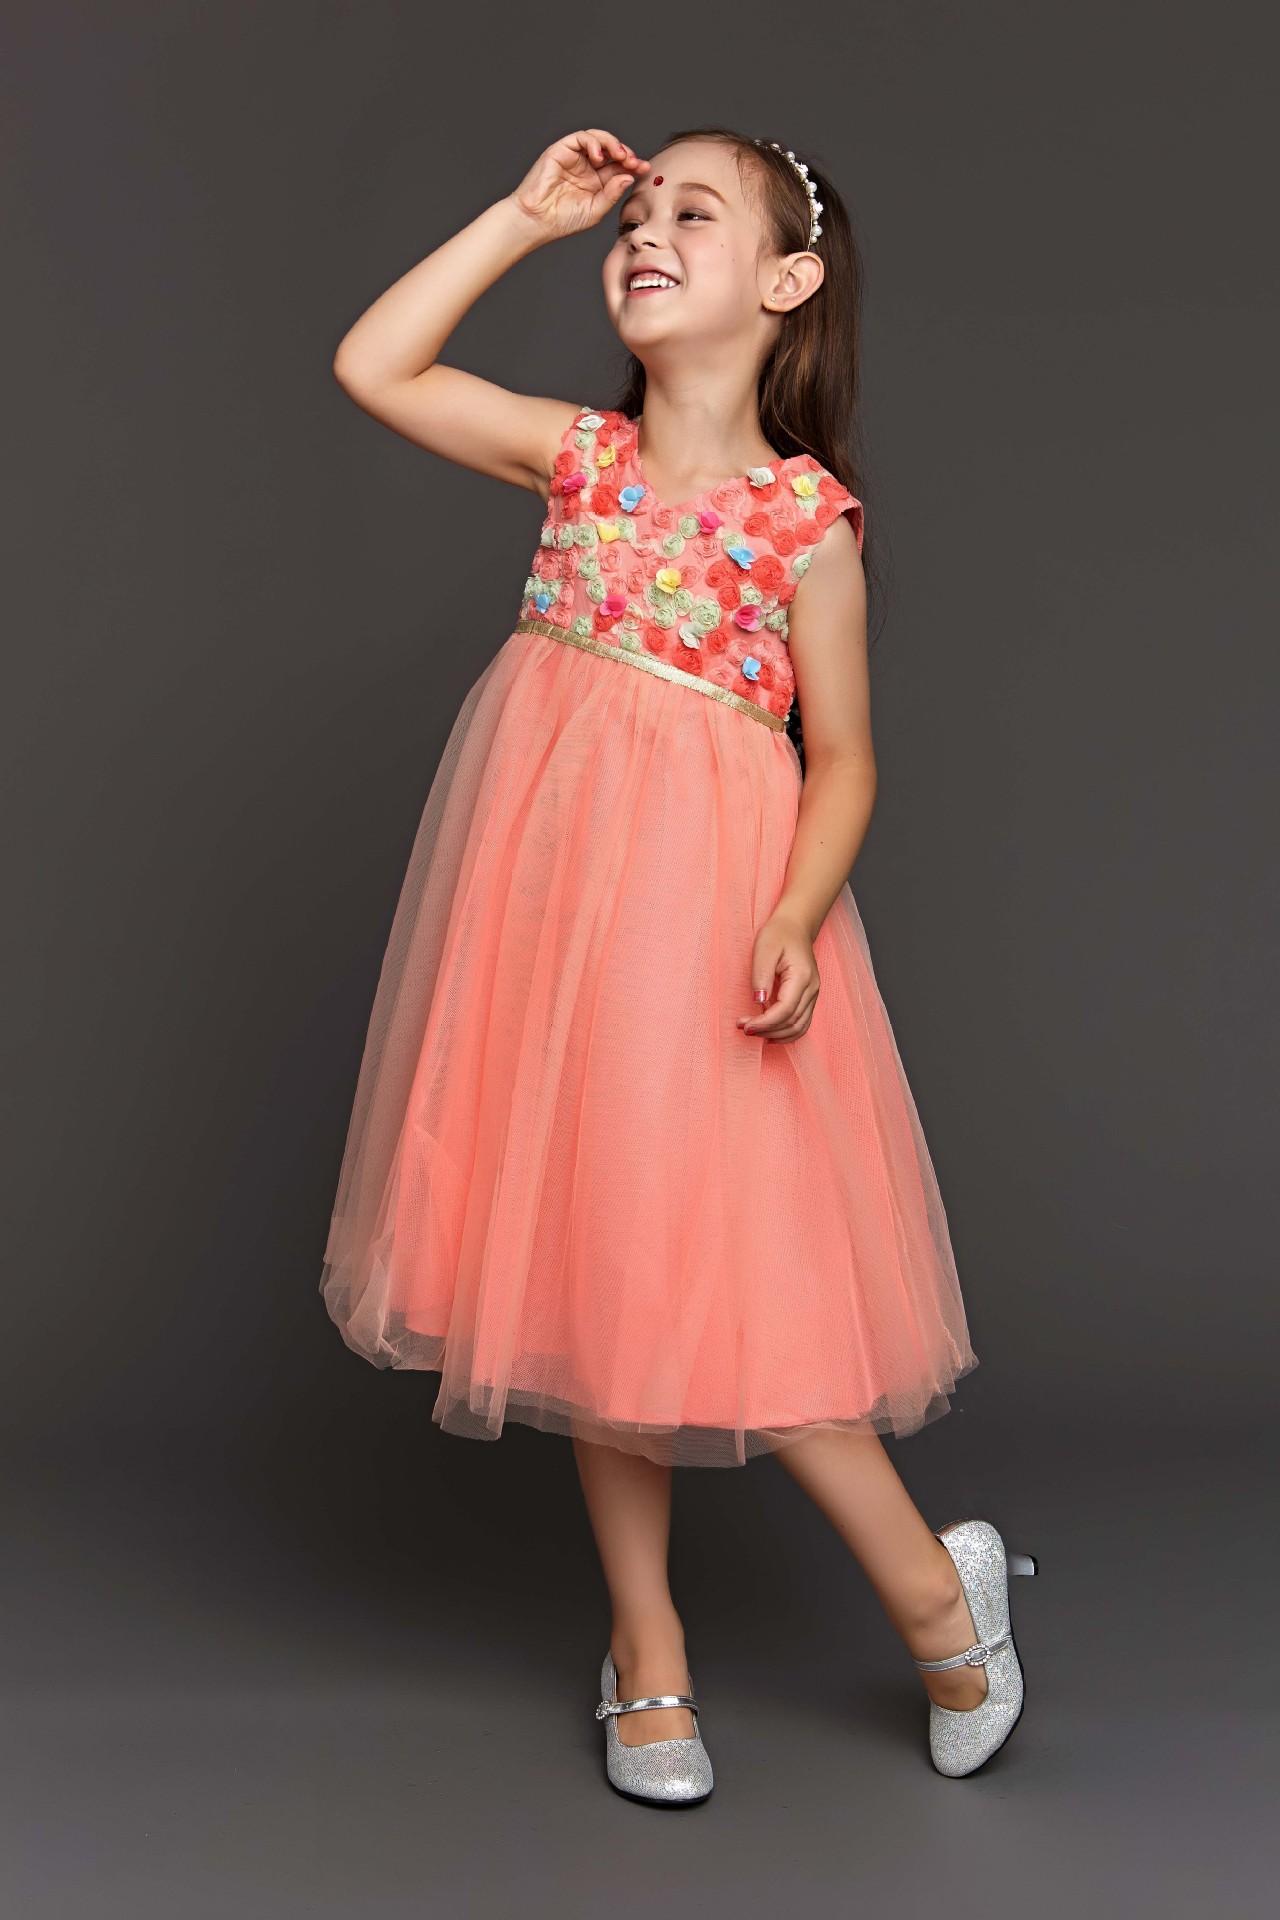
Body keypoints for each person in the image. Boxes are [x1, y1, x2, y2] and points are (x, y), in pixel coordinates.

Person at [319, 125, 1037, 1806]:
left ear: (787, 281)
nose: (642, 232)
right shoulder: (578, 459)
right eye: (633, 215)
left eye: (689, 213)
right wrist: (521, 216)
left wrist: (791, 914)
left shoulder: (806, 524)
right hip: (553, 917)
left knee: (732, 1264)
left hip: (711, 921)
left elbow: (844, 758)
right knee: (597, 1259)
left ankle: (937, 1597)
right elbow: (374, 365)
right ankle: (645, 1646)